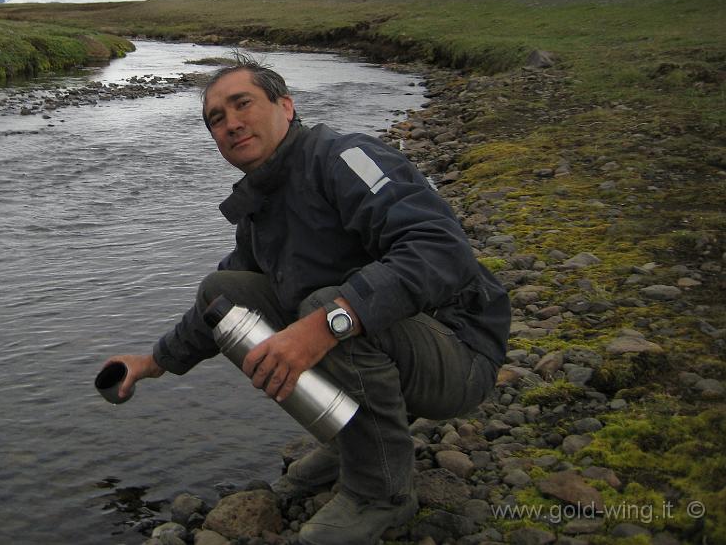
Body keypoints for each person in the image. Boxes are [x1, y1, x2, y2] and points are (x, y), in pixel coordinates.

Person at [103, 55, 510, 545]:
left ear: (286, 106)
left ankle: (382, 491)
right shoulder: (262, 205)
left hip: (459, 349)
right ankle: (354, 439)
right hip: (392, 344)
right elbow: (218, 302)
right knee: (222, 294)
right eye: (216, 119)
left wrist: (326, 324)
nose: (231, 124)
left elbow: (442, 249)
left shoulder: (343, 158)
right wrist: (152, 362)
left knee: (326, 307)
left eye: (242, 104)